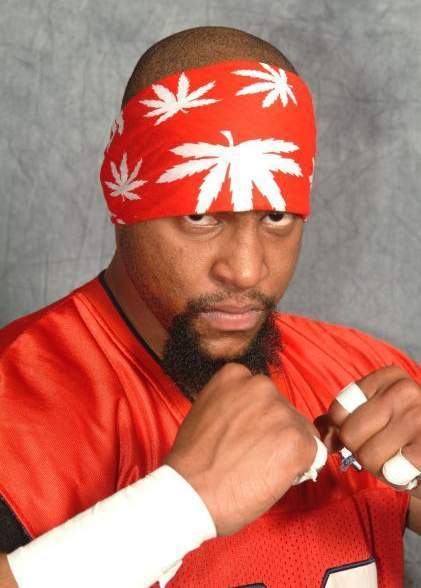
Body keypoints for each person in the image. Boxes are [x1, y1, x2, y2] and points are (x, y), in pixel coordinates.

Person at [0, 25, 420, 588]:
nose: (246, 270)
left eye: (276, 217)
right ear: (124, 204)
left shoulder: (371, 381)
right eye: (199, 216)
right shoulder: (15, 402)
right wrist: (177, 507)